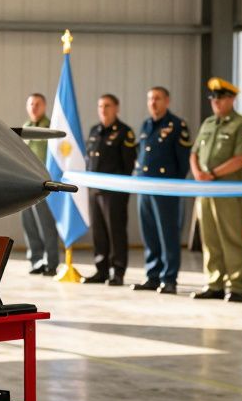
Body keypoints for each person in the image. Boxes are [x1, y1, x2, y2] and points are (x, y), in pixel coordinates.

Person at [189, 78, 242, 302]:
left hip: (228, 192)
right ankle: (214, 283)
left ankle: (236, 286)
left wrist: (213, 174)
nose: (216, 101)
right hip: (205, 191)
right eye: (213, 98)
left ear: (231, 99)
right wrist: (198, 172)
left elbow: (241, 158)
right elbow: (194, 153)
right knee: (210, 239)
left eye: (221, 97)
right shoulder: (208, 123)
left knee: (231, 239)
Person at [134, 86, 192, 294]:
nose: (153, 103)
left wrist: (173, 186)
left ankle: (169, 278)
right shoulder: (146, 125)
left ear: (167, 101)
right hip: (145, 189)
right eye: (150, 99)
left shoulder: (177, 125)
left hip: (166, 190)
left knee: (168, 235)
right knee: (149, 234)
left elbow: (183, 163)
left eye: (157, 99)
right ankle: (153, 275)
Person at [81, 93, 137, 286]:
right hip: (94, 191)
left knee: (116, 232)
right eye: (100, 106)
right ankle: (101, 270)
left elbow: (128, 165)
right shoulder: (94, 131)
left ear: (116, 108)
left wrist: (119, 188)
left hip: (114, 193)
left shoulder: (124, 132)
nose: (103, 110)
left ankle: (118, 271)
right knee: (98, 232)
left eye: (107, 106)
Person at [21, 92, 61, 276]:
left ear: (44, 107)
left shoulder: (51, 128)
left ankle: (51, 262)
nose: (34, 108)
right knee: (29, 224)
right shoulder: (25, 128)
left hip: (43, 184)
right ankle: (36, 259)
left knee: (46, 225)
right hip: (25, 184)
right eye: (31, 104)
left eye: (38, 104)